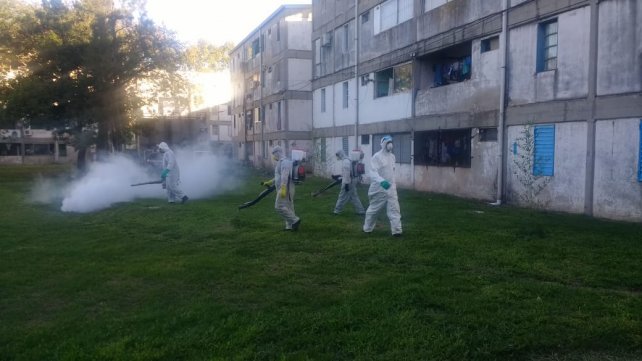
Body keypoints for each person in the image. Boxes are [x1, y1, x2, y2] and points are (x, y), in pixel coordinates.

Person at [363, 135, 402, 236]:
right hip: (379, 188)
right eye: (388, 142)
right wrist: (381, 181)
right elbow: (372, 172)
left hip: (391, 188)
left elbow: (392, 172)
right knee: (373, 210)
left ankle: (397, 231)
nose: (390, 144)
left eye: (391, 142)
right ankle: (367, 229)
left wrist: (392, 185)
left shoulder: (392, 157)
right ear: (383, 144)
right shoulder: (377, 157)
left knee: (395, 209)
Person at [261, 146, 301, 231]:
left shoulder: (285, 162)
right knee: (288, 207)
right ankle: (290, 226)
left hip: (286, 188)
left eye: (274, 154)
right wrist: (269, 182)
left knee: (279, 206)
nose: (273, 156)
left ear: (278, 152)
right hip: (284, 188)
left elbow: (284, 176)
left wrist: (283, 188)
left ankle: (295, 220)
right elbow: (278, 176)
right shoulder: (281, 162)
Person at [333, 149, 365, 215]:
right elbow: (348, 172)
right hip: (353, 180)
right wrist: (338, 176)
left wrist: (346, 184)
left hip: (349, 181)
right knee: (354, 196)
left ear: (341, 154)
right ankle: (361, 211)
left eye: (338, 155)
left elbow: (347, 173)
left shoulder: (345, 161)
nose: (337, 157)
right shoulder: (349, 160)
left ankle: (337, 211)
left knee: (342, 196)